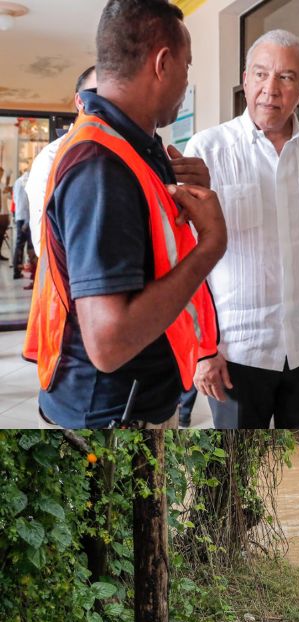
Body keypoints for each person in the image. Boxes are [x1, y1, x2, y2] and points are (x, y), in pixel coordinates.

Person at [23, 0, 224, 429]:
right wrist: (211, 246)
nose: (187, 82)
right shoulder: (101, 165)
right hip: (112, 413)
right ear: (163, 63)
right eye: (187, 67)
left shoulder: (133, 146)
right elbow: (109, 344)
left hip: (136, 398)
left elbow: (147, 250)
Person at [186, 29, 299, 429]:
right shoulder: (206, 150)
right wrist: (200, 349)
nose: (271, 89)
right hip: (234, 353)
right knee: (234, 471)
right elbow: (188, 262)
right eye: (261, 74)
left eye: (286, 77)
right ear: (245, 79)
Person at [27, 67, 100, 260]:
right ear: (79, 101)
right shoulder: (51, 158)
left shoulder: (126, 151)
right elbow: (45, 244)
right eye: (96, 94)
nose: (106, 103)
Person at [10, 171, 32, 282]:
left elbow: (15, 200)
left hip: (19, 216)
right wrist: (27, 221)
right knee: (31, 247)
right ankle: (33, 274)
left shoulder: (17, 182)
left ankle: (16, 271)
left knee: (19, 245)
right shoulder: (28, 181)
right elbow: (28, 203)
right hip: (26, 218)